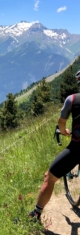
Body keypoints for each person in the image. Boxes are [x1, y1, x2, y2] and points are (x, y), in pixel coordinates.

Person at [29, 70, 80, 220]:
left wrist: (64, 132)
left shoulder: (72, 100)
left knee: (49, 177)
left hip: (77, 148)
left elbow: (61, 123)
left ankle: (36, 214)